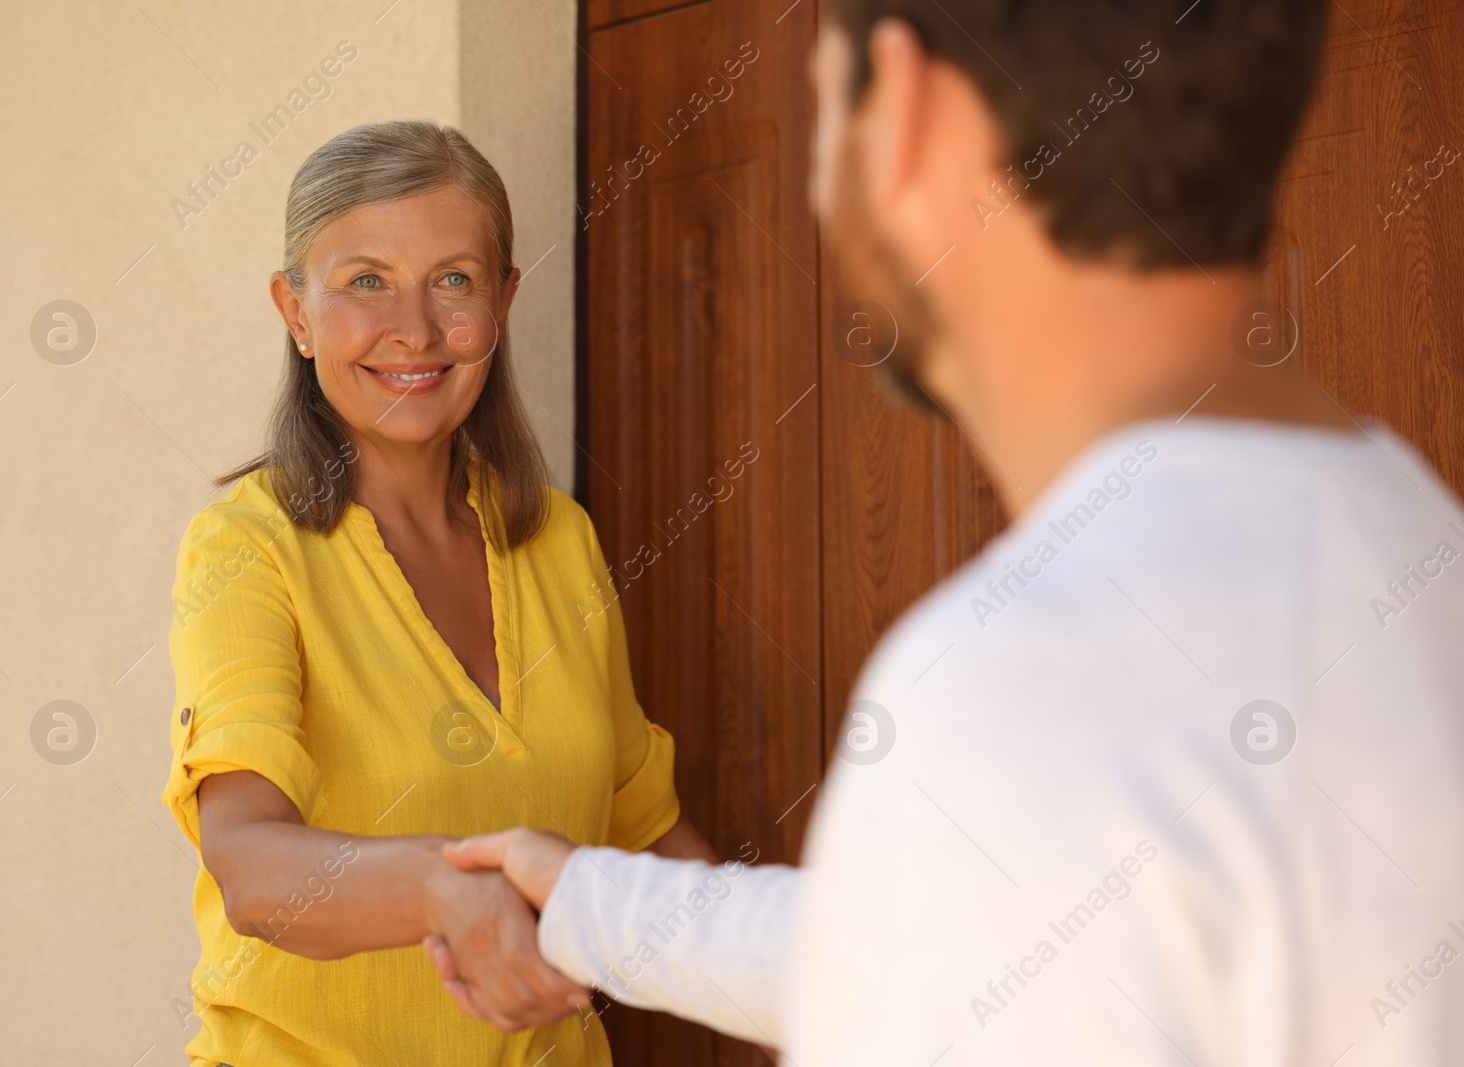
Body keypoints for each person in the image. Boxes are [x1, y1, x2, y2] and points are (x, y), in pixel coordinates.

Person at [424, 1, 1464, 1063]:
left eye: (824, 100)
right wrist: (594, 906)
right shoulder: (1412, 548)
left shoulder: (1024, 688)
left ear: (905, 114)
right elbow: (992, 942)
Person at [159, 119, 715, 1067]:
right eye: (366, 281)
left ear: (502, 301)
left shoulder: (560, 541)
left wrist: (828, 983)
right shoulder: (246, 550)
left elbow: (645, 832)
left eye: (453, 280)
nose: (414, 329)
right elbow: (250, 867)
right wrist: (441, 889)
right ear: (294, 310)